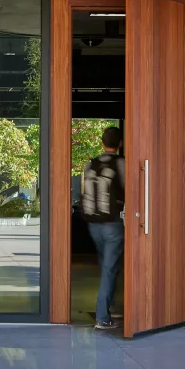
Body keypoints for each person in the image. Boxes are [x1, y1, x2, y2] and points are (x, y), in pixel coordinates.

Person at [80, 126, 126, 330]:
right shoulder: (120, 163)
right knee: (110, 269)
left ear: (102, 142)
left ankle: (112, 308)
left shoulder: (91, 164)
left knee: (108, 266)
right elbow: (129, 190)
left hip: (93, 224)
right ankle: (102, 317)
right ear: (121, 144)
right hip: (113, 225)